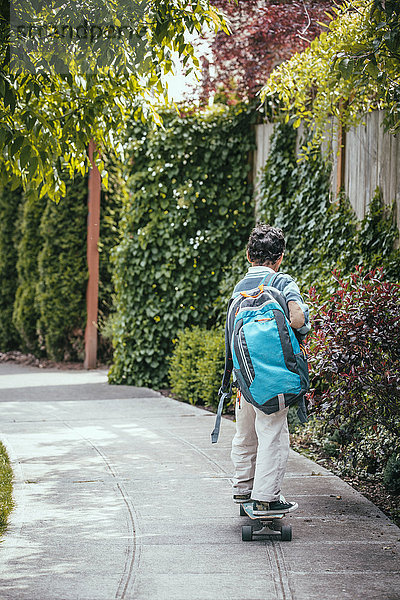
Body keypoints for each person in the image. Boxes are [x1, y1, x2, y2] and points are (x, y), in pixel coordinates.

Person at [230, 223, 311, 516]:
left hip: (245, 377)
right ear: (280, 257)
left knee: (245, 434)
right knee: (273, 433)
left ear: (248, 255)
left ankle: (243, 489)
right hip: (274, 376)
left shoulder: (239, 289)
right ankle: (266, 498)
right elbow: (298, 318)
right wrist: (302, 328)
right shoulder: (282, 281)